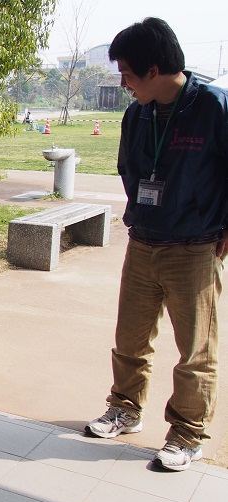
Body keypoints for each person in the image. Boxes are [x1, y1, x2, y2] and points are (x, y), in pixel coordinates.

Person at [85, 17, 228, 472]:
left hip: (195, 246)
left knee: (196, 350)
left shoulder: (214, 107)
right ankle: (124, 409)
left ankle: (188, 434)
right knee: (130, 338)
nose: (122, 82)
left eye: (126, 72)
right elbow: (130, 169)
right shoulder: (137, 113)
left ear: (153, 69)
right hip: (143, 241)